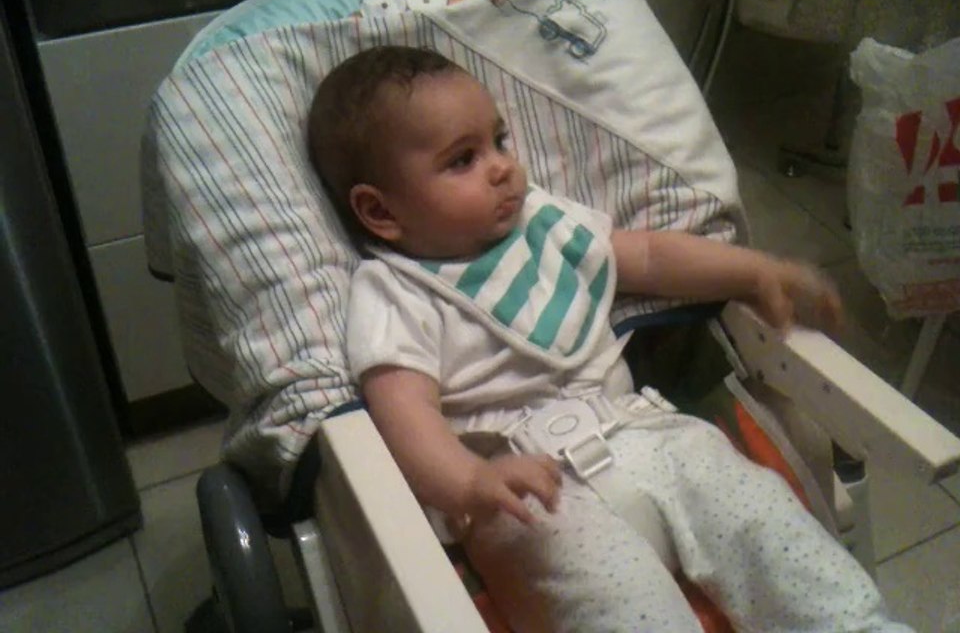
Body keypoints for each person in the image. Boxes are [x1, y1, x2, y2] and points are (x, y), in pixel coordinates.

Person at [308, 45, 911, 632]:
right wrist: (469, 483)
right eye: (463, 159)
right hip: (526, 492)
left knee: (764, 522)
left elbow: (646, 255)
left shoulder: (542, 224)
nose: (502, 167)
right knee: (615, 603)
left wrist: (753, 272)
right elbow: (405, 415)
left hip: (645, 431)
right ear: (381, 212)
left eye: (499, 141)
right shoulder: (394, 292)